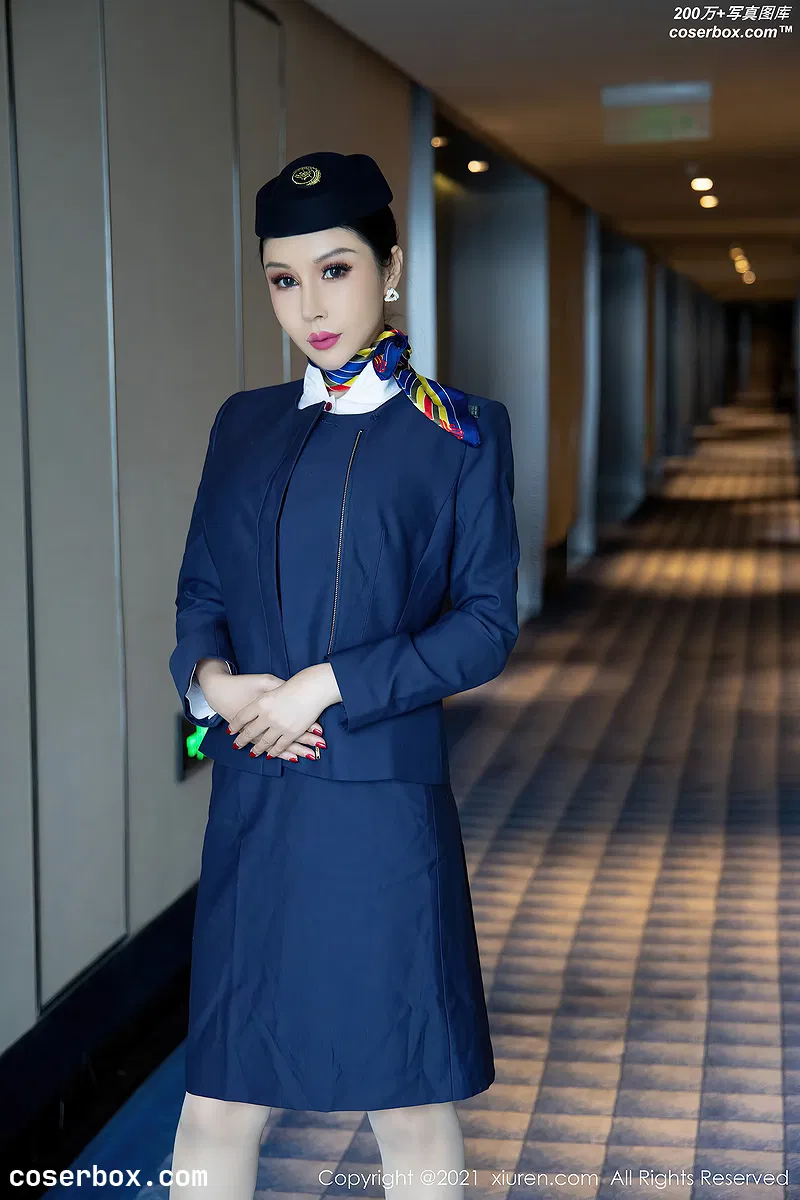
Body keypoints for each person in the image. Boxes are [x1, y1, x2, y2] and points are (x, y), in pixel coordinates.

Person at [167, 151, 520, 1200]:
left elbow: (484, 627)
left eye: (335, 270)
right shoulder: (243, 423)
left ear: (390, 268)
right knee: (218, 1098)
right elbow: (200, 593)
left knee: (406, 1099)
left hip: (378, 811)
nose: (310, 307)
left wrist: (324, 684)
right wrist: (215, 684)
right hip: (256, 801)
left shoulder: (459, 433)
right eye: (284, 279)